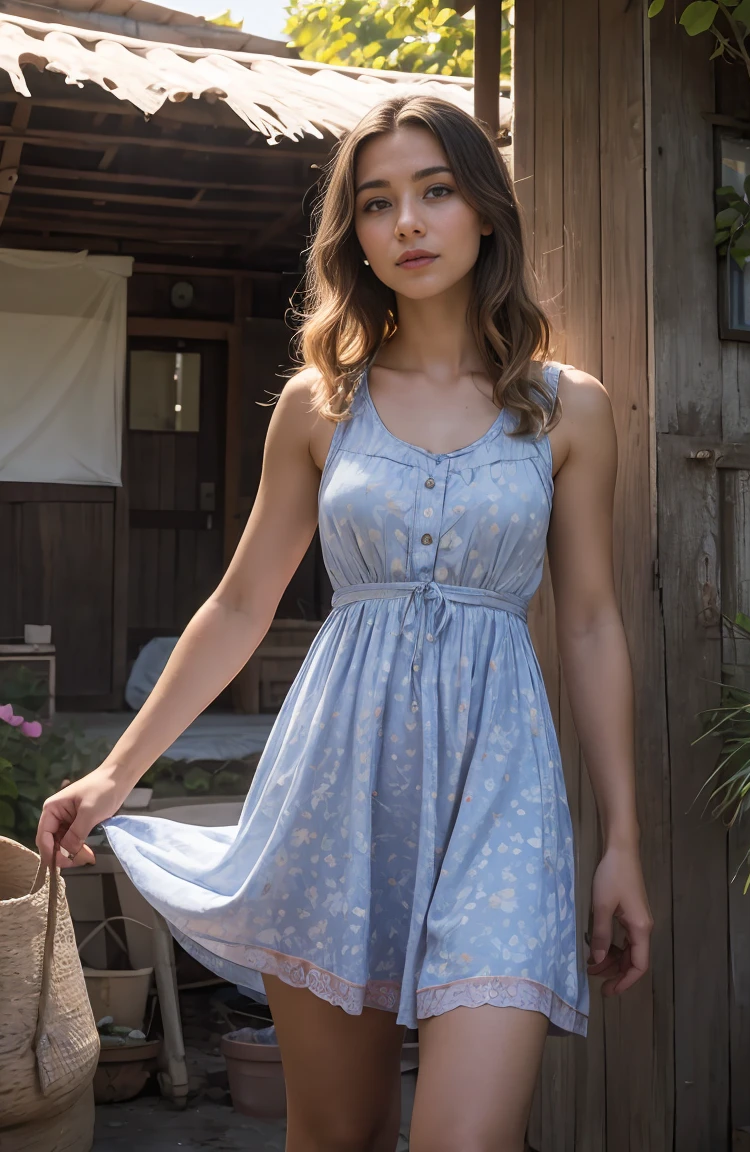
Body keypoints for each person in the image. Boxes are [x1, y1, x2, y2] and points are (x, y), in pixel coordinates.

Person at [37, 94, 653, 1152]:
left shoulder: (567, 409)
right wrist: (117, 773)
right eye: (378, 204)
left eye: (436, 191)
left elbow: (592, 625)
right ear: (354, 234)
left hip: (499, 797)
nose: (407, 223)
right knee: (338, 1135)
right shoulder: (320, 405)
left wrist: (623, 842)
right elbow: (240, 604)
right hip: (334, 791)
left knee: (466, 1138)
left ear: (486, 212)